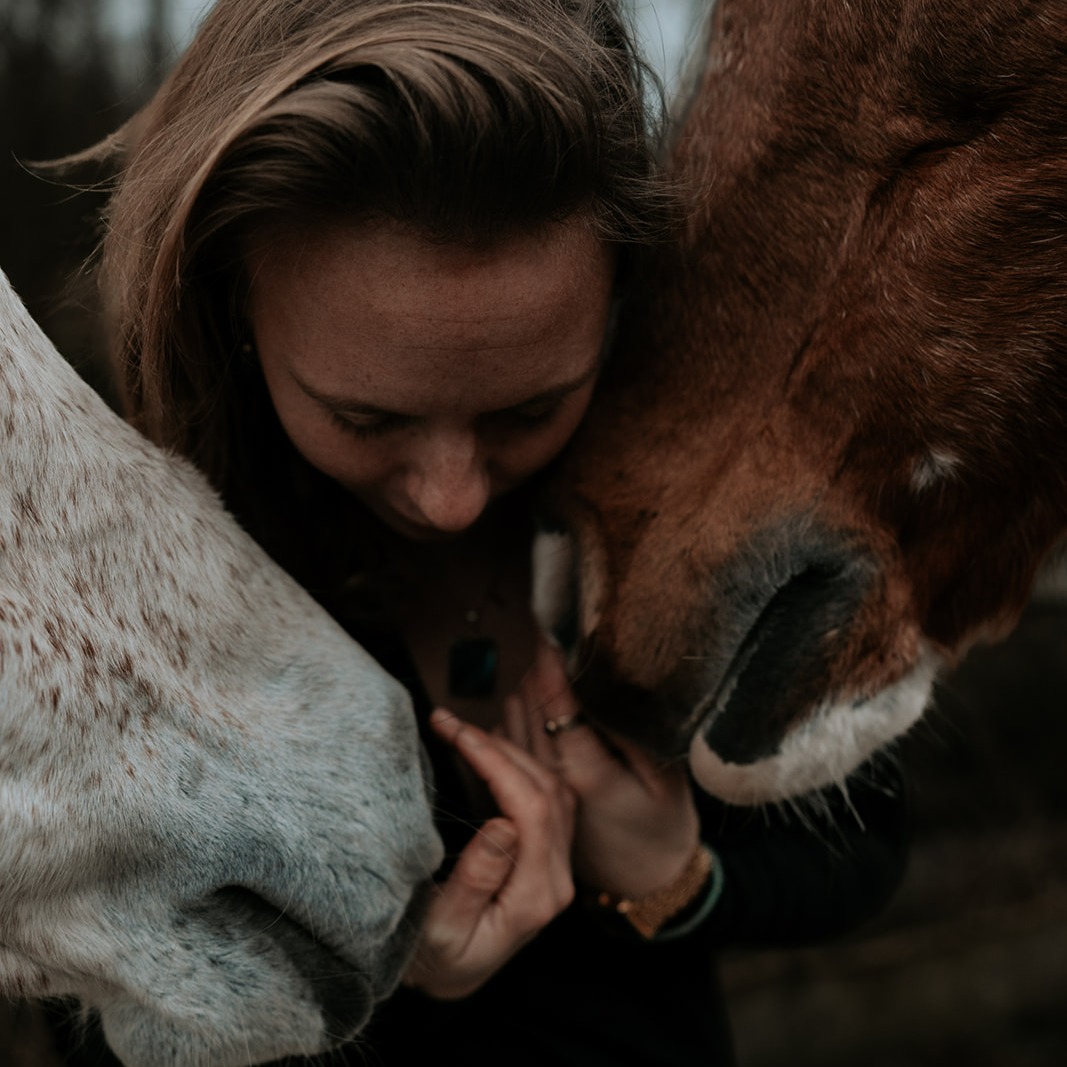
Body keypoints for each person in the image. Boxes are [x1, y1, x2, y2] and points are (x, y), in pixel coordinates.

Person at [49, 1, 910, 1063]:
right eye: (366, 418)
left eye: (526, 409)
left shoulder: (716, 479)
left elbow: (866, 844)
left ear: (620, 302)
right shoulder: (91, 556)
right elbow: (86, 1010)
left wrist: (679, 880)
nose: (451, 498)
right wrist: (372, 974)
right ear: (225, 309)